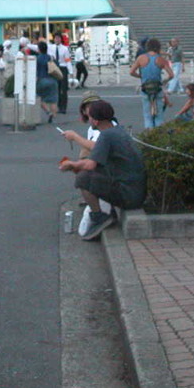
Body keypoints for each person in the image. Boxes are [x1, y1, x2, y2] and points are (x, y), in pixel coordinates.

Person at [59, 100, 145, 241]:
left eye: (90, 117)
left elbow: (90, 166)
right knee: (89, 172)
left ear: (96, 120)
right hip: (136, 191)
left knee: (83, 177)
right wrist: (75, 164)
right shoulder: (117, 130)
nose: (89, 119)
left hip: (129, 196)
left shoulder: (106, 136)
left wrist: (71, 165)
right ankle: (103, 212)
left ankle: (99, 216)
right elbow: (94, 162)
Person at [60, 92, 115, 236]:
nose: (91, 110)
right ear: (84, 111)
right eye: (88, 107)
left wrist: (75, 138)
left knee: (83, 176)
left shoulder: (109, 128)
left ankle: (98, 213)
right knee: (81, 166)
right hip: (107, 169)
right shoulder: (94, 128)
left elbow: (96, 148)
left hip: (113, 176)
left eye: (95, 106)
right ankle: (94, 202)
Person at [130, 38, 174, 129]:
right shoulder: (161, 59)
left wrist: (141, 76)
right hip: (157, 88)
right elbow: (171, 75)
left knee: (147, 115)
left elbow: (131, 72)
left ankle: (148, 134)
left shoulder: (141, 58)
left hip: (145, 88)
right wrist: (164, 81)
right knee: (159, 115)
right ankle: (158, 134)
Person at [35, 41, 60, 123]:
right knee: (53, 100)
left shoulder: (37, 58)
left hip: (42, 80)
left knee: (38, 98)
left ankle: (48, 112)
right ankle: (54, 116)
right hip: (52, 80)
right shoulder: (51, 57)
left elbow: (36, 71)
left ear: (39, 49)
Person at [50, 33, 72, 114]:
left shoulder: (65, 49)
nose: (57, 40)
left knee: (64, 89)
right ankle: (58, 106)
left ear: (61, 39)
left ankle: (64, 107)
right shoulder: (51, 47)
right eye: (56, 38)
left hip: (63, 68)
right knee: (57, 89)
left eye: (58, 38)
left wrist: (71, 71)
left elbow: (68, 60)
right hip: (55, 68)